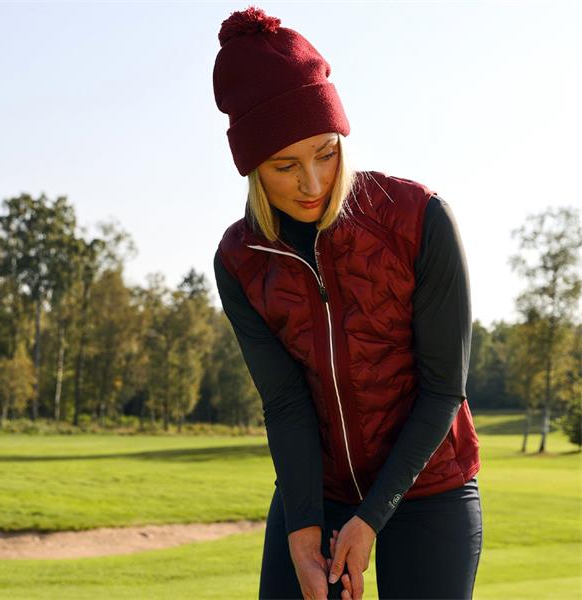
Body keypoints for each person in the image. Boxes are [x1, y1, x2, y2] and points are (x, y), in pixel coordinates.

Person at [212, 6, 483, 600]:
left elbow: (444, 389)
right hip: (319, 491)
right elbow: (285, 402)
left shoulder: (419, 219)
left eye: (326, 152)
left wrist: (371, 517)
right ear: (252, 168)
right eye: (285, 166)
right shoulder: (240, 259)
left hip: (429, 485)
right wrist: (303, 526)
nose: (312, 183)